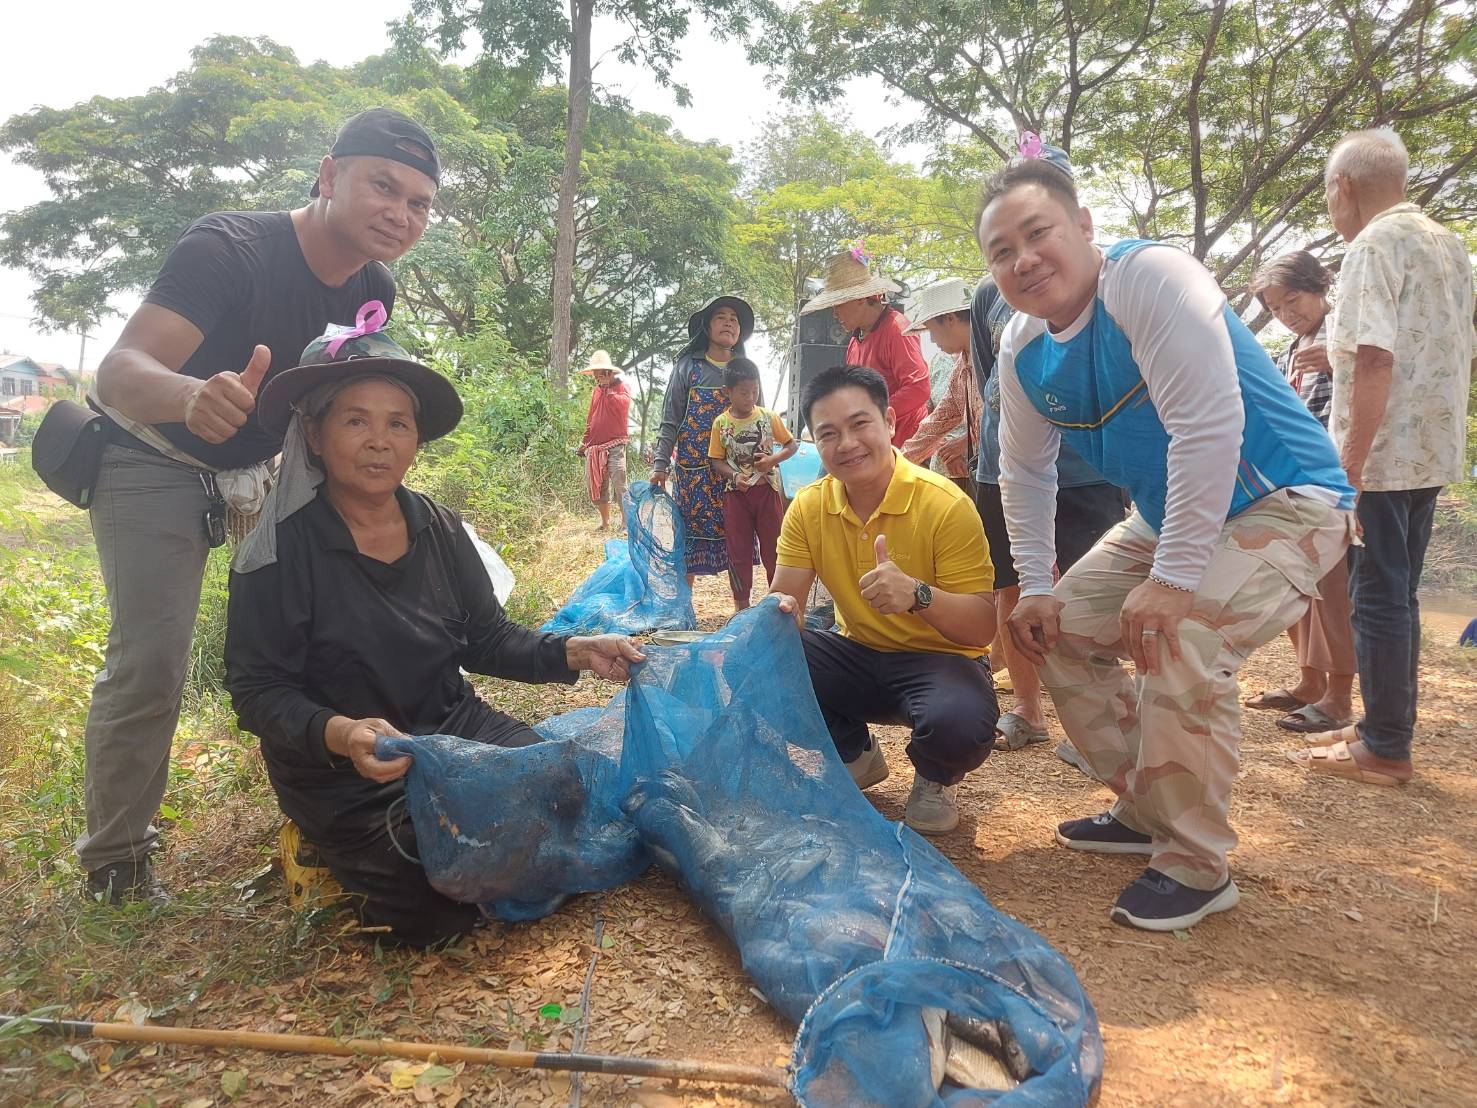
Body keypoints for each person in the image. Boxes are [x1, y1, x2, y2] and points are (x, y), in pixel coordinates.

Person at [980, 157, 1356, 930]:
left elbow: (1208, 426)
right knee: (1053, 631)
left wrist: (1176, 576)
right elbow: (1022, 472)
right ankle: (1146, 808)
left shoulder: (1152, 278)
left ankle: (1195, 860)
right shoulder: (1021, 348)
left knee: (1178, 632)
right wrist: (1037, 585)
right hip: (1168, 516)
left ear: (1084, 227)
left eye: (1037, 232)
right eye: (1000, 250)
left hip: (1288, 500)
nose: (1022, 259)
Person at [80, 107, 440, 905]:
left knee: (328, 630)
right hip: (154, 457)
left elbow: (341, 390)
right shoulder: (229, 248)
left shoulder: (374, 285)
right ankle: (116, 859)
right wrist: (189, 395)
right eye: (384, 186)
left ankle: (336, 806)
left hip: (267, 468)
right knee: (152, 661)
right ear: (328, 174)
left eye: (419, 203)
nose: (400, 213)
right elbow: (118, 370)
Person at [225, 326, 644, 947]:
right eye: (355, 421)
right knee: (432, 907)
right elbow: (257, 690)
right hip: (350, 767)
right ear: (313, 433)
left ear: (416, 439)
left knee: (564, 792)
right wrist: (341, 734)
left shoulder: (441, 529)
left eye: (398, 424)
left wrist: (572, 651)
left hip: (450, 722)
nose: (379, 441)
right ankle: (321, 847)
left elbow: (487, 639)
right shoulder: (281, 553)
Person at [1293, 129, 1475, 787]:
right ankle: (1384, 728)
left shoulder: (1371, 244)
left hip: (1381, 457)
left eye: (1327, 192)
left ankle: (1384, 746)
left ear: (1342, 188)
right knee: (1397, 594)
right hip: (1428, 450)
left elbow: (1373, 357)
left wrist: (1347, 467)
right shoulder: (1446, 242)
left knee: (1376, 597)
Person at [768, 365, 998, 836]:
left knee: (960, 722)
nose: (847, 444)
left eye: (859, 424)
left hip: (942, 660)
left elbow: (981, 629)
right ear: (816, 443)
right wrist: (748, 638)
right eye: (828, 433)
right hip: (857, 653)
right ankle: (854, 752)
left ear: (890, 421)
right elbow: (782, 608)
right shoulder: (809, 507)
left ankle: (936, 777)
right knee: (762, 661)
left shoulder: (945, 505)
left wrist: (918, 595)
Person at [1241, 251, 1356, 734]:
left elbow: (1377, 382)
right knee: (1298, 586)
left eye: (1293, 300)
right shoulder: (1294, 346)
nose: (1287, 314)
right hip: (1294, 480)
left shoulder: (1345, 331)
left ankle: (1339, 697)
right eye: (1275, 308)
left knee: (1333, 591)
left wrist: (1337, 362)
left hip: (1334, 482)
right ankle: (1309, 682)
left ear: (1319, 288)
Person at [651, 295, 756, 585]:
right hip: (693, 472)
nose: (729, 322)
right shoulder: (687, 367)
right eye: (721, 316)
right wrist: (660, 464)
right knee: (687, 538)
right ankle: (685, 608)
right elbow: (670, 418)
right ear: (707, 328)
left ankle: (741, 608)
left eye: (734, 319)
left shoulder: (745, 369)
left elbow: (758, 417)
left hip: (734, 472)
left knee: (739, 538)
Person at [799, 246, 930, 445]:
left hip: (905, 448)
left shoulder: (896, 329)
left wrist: (871, 415)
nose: (835, 313)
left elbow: (918, 388)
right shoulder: (854, 341)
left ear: (860, 298)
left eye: (839, 304)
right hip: (872, 441)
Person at [707, 356, 797, 611]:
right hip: (736, 497)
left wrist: (772, 460)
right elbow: (716, 460)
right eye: (744, 392)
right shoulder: (721, 424)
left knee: (774, 549)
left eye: (755, 390)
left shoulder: (768, 418)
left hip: (767, 493)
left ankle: (776, 602)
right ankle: (741, 607)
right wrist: (734, 476)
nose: (751, 397)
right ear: (728, 392)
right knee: (739, 553)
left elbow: (792, 445)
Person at [900, 277, 981, 496]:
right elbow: (939, 420)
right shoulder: (962, 366)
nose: (933, 340)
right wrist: (898, 462)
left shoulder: (996, 355)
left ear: (950, 319)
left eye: (932, 330)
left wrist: (970, 441)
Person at [576, 350, 631, 532]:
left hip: (616, 444)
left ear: (608, 372)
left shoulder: (622, 387)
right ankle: (605, 522)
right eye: (595, 373)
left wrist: (609, 391)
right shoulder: (596, 391)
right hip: (595, 447)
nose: (596, 377)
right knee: (598, 485)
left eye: (599, 373)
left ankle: (625, 523)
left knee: (619, 481)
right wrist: (584, 443)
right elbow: (591, 418)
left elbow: (623, 407)